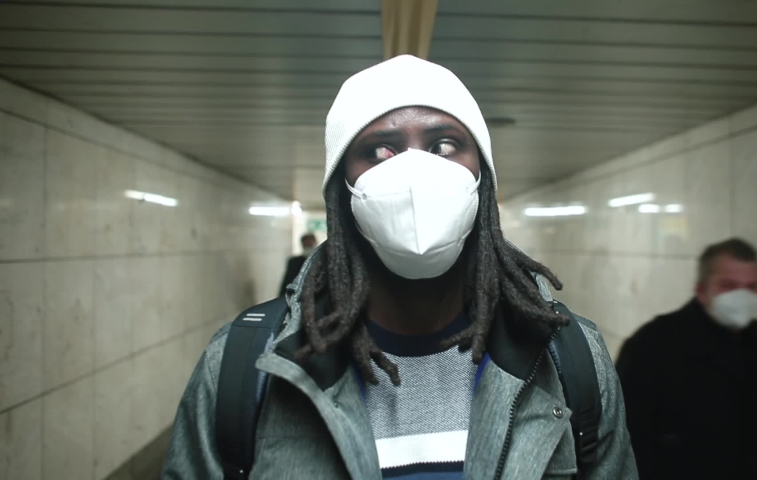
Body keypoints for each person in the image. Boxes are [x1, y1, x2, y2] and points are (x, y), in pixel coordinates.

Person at [163, 55, 637, 479]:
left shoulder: (568, 357)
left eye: (445, 146)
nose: (414, 172)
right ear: (341, 192)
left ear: (482, 181)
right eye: (379, 151)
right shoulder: (245, 365)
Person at [616, 238, 757, 480]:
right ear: (701, 290)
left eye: (751, 287)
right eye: (729, 286)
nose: (742, 297)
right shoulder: (653, 346)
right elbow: (624, 442)